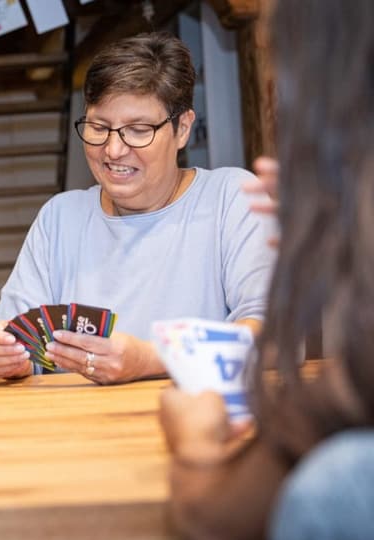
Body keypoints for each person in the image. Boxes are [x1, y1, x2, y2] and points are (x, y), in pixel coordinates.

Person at [159, 1, 374, 538]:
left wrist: (194, 443)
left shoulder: (231, 191)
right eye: (100, 127)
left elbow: (210, 513)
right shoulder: (56, 216)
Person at [0, 32, 273, 384]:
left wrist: (151, 359)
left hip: (199, 427)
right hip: (81, 430)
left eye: (138, 129)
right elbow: (17, 339)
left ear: (182, 129)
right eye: (99, 127)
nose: (113, 150)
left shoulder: (232, 199)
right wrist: (2, 354)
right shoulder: (60, 218)